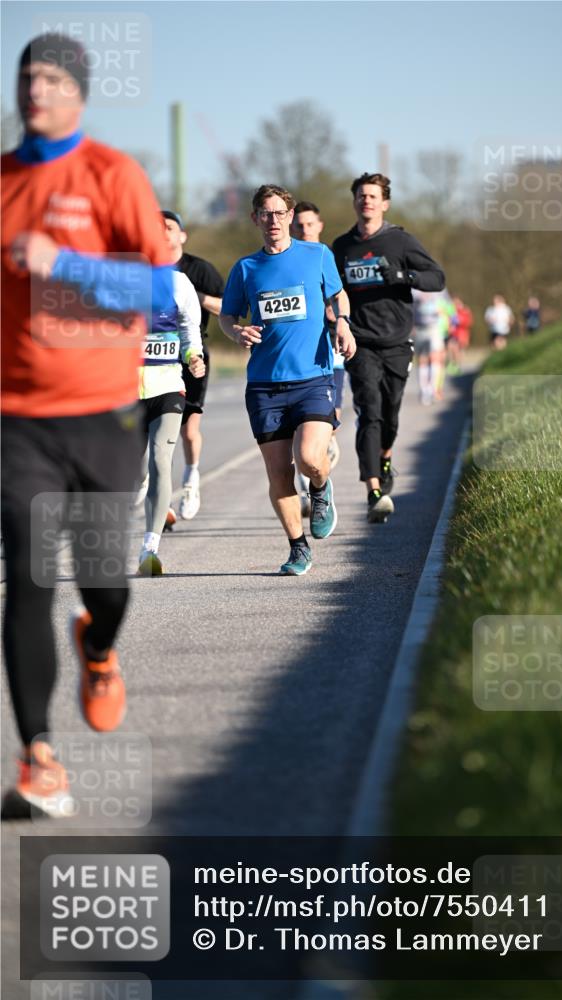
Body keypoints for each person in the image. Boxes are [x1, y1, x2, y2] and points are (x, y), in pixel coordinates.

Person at [1, 34, 174, 817]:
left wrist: (63, 264)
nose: (34, 90)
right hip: (17, 422)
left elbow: (159, 288)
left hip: (103, 413)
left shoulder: (112, 174)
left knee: (106, 586)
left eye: (49, 79)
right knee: (29, 581)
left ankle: (98, 645)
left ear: (78, 92)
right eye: (24, 78)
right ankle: (38, 756)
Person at [220, 184, 355, 575]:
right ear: (255, 218)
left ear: (291, 216)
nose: (274, 220)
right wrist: (237, 332)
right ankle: (298, 548)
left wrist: (342, 324)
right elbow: (227, 316)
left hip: (312, 375)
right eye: (266, 213)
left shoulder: (317, 255)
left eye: (280, 213)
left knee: (310, 458)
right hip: (264, 385)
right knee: (279, 472)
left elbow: (338, 296)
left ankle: (320, 489)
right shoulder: (245, 269)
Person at [332, 172, 445, 523]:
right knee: (370, 410)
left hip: (397, 341)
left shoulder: (400, 241)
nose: (366, 201)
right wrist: (336, 322)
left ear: (385, 203)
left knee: (391, 415)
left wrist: (405, 277)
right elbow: (331, 292)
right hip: (360, 342)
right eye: (361, 196)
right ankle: (373, 491)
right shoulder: (341, 248)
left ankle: (385, 457)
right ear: (354, 202)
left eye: (373, 196)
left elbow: (437, 279)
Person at [136, 215, 205, 577]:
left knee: (161, 459)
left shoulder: (178, 283)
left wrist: (194, 357)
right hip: (124, 390)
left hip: (167, 385)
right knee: (135, 472)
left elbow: (188, 329)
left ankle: (150, 547)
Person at [161, 210, 225, 521]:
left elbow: (229, 307)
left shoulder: (199, 269)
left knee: (187, 429)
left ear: (182, 235)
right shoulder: (142, 269)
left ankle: (191, 479)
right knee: (158, 430)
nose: (162, 232)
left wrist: (194, 296)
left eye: (169, 227)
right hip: (154, 357)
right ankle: (162, 498)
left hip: (192, 354)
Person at [290, 201, 345, 516]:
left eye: (310, 224)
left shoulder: (325, 257)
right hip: (301, 358)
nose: (304, 230)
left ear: (319, 226)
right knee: (300, 433)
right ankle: (309, 489)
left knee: (329, 421)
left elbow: (341, 298)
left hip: (330, 355)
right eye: (299, 225)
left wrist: (337, 317)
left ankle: (321, 460)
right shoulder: (288, 260)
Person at [412, 288, 447, 405]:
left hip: (434, 327)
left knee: (435, 357)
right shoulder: (413, 286)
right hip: (419, 328)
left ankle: (433, 389)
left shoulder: (439, 286)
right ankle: (424, 390)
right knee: (422, 359)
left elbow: (446, 305)